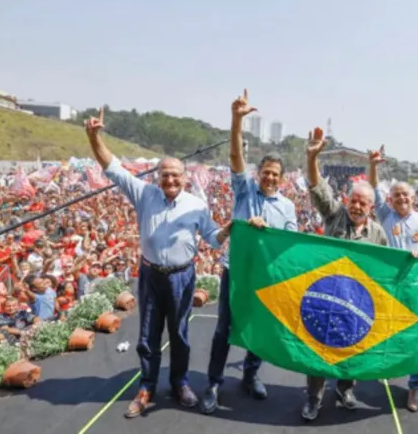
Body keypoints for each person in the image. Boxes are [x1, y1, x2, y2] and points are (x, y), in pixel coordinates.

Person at [84, 108, 231, 419]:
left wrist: (230, 227)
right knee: (148, 335)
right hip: (151, 274)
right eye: (165, 174)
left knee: (179, 335)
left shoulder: (197, 205)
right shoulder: (144, 193)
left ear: (185, 178)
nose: (170, 179)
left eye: (175, 174)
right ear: (157, 177)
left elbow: (214, 239)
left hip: (182, 277)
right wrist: (94, 136)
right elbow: (111, 166)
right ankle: (147, 386)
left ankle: (179, 382)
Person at [202, 90, 298, 414]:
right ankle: (214, 382)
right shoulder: (244, 191)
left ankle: (250, 374)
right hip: (237, 270)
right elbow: (234, 157)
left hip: (265, 275)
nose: (270, 177)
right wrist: (237, 121)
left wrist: (267, 232)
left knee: (259, 328)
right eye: (266, 172)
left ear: (282, 180)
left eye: (275, 174)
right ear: (258, 174)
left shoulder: (287, 207)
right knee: (223, 330)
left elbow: (289, 242)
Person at [300, 126, 388, 422]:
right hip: (326, 294)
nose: (357, 206)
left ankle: (345, 389)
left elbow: (386, 265)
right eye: (354, 200)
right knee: (319, 347)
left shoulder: (377, 233)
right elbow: (316, 187)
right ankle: (314, 398)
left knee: (353, 345)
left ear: (371, 207)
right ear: (347, 200)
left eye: (363, 203)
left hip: (357, 301)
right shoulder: (334, 214)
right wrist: (312, 157)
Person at [366, 144, 418, 411]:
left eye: (405, 195)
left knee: (417, 337)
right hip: (388, 285)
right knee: (384, 329)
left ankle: (414, 388)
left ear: (414, 199)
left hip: (417, 287)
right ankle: (387, 367)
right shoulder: (385, 215)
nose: (401, 198)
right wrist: (374, 166)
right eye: (396, 195)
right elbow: (374, 190)